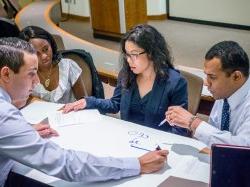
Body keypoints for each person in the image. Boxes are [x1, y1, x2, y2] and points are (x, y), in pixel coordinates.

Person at [0, 37, 168, 186]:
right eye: (31, 74)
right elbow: (66, 164)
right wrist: (138, 164)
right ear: (6, 74)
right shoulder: (4, 114)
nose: (36, 82)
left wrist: (23, 131)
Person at [63, 24, 189, 136]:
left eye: (134, 54)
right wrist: (88, 102)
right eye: (127, 54)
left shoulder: (175, 83)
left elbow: (179, 129)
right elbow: (115, 104)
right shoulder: (127, 74)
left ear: (151, 52)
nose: (128, 60)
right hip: (128, 138)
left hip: (157, 147)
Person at [165, 41, 250, 147]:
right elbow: (215, 131)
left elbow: (244, 148)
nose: (206, 83)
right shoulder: (224, 92)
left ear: (236, 77)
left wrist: (193, 123)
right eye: (206, 76)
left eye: (212, 77)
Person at [19, 26, 87, 103]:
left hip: (71, 113)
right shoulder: (25, 74)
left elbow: (85, 102)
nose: (44, 56)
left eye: (46, 49)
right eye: (36, 54)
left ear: (51, 45)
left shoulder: (69, 66)